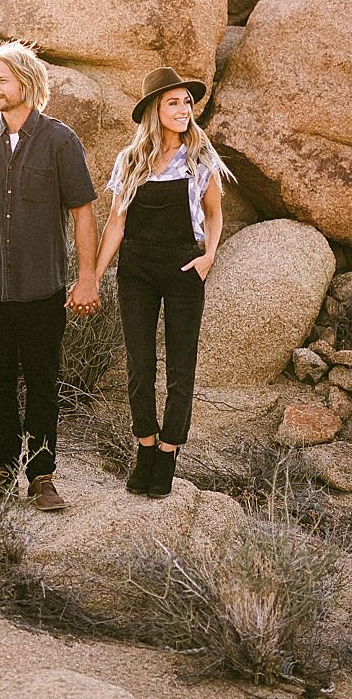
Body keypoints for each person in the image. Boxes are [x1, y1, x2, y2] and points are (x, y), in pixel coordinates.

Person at [0, 41, 100, 512]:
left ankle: (42, 476)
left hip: (43, 287)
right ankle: (0, 471)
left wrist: (87, 276)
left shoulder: (60, 141)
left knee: (41, 381)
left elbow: (83, 214)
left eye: (2, 79)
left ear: (27, 84)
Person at [95, 66, 231, 498]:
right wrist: (92, 278)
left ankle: (169, 452)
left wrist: (209, 255)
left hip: (182, 267)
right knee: (139, 365)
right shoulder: (130, 161)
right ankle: (145, 447)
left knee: (179, 367)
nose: (183, 109)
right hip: (135, 269)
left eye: (187, 102)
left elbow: (214, 214)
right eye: (173, 102)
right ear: (155, 110)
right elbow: (115, 225)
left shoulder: (200, 161)